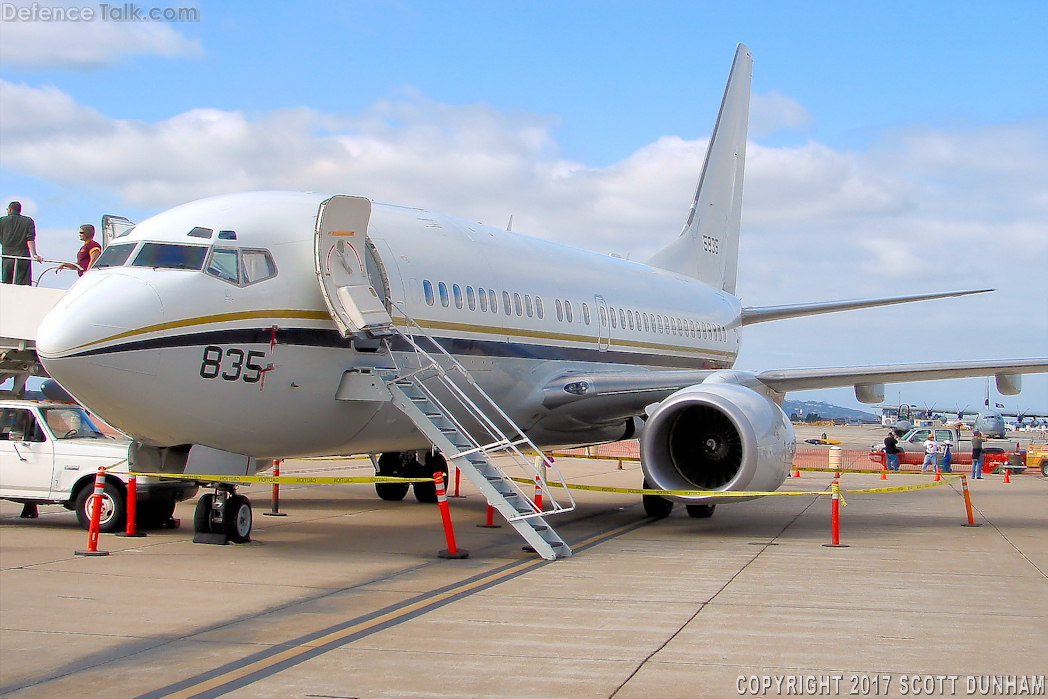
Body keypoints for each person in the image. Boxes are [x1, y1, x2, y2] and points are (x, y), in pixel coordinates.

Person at [1, 201, 41, 285]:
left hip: (6, 256)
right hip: (23, 256)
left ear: (10, 210)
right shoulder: (28, 221)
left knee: (6, 283)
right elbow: (30, 240)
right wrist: (34, 254)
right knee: (23, 285)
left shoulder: (2, 221)